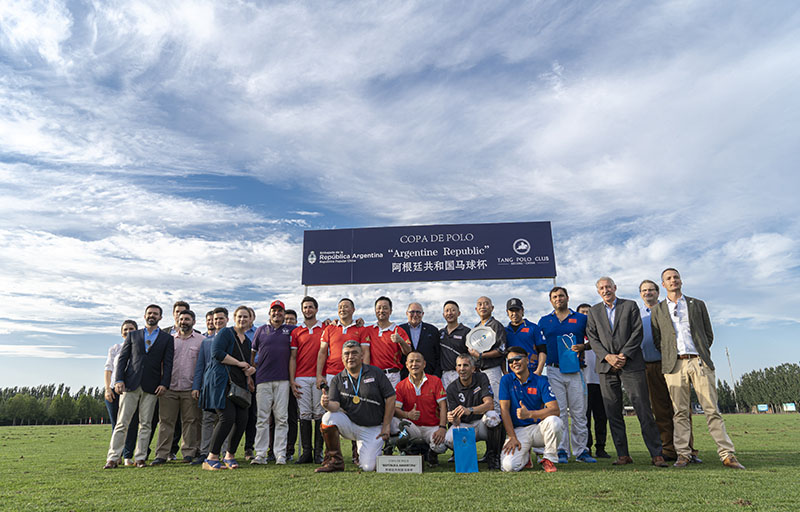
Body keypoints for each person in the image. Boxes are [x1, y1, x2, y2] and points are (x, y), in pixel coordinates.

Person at [651, 268, 744, 469]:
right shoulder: (657, 310)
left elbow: (708, 334)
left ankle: (727, 454)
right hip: (674, 365)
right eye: (669, 278)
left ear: (681, 281)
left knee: (712, 409)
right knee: (680, 412)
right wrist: (671, 356)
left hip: (699, 361)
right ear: (663, 284)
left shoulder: (697, 304)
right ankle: (683, 454)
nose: (673, 280)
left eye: (676, 277)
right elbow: (659, 340)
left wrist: (700, 352)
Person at [585, 277, 667, 467]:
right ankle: (623, 455)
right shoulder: (594, 311)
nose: (606, 290)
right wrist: (608, 357)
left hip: (631, 364)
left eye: (608, 287)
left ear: (615, 288)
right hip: (606, 367)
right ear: (598, 291)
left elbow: (637, 332)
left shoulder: (629, 306)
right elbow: (593, 338)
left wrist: (623, 355)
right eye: (602, 288)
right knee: (613, 412)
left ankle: (657, 454)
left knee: (643, 409)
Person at [104, 305, 174, 469]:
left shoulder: (167, 339)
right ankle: (113, 458)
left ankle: (140, 458)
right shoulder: (133, 335)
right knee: (122, 422)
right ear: (144, 316)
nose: (152, 316)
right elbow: (123, 359)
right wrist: (119, 379)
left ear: (160, 317)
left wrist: (164, 383)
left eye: (155, 314)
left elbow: (168, 363)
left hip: (152, 386)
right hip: (130, 384)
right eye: (149, 313)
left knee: (146, 424)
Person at [639, 280, 699, 462]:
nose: (648, 293)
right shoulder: (638, 315)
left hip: (673, 363)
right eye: (644, 290)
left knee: (681, 408)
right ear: (641, 294)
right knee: (660, 410)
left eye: (651, 290)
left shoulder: (668, 310)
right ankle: (669, 449)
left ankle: (688, 450)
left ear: (658, 292)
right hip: (650, 366)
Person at [316, 340, 396, 472]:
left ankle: (370, 450)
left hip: (372, 427)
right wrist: (327, 404)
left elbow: (391, 397)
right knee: (328, 418)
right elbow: (335, 406)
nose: (350, 357)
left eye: (354, 353)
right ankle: (335, 461)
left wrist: (386, 425)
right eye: (346, 354)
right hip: (351, 425)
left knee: (368, 467)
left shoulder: (375, 372)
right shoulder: (337, 379)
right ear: (342, 357)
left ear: (362, 355)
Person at [537, 287, 595, 463]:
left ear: (567, 298)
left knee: (579, 412)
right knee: (558, 412)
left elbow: (595, 340)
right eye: (554, 296)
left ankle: (581, 451)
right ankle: (561, 450)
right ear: (550, 300)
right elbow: (539, 346)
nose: (558, 299)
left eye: (561, 296)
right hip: (553, 370)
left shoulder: (581, 319)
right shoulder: (544, 321)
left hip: (575, 370)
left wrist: (583, 347)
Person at [199, 306, 256, 470]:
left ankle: (229, 455)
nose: (242, 319)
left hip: (239, 384)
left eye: (246, 317)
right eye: (239, 316)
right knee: (227, 417)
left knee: (242, 419)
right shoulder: (226, 333)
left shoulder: (247, 341)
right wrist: (239, 363)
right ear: (234, 318)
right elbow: (217, 353)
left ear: (251, 320)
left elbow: (246, 364)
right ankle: (211, 458)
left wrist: (250, 371)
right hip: (221, 382)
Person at [152, 309, 204, 464]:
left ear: (193, 322)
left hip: (190, 388)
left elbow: (202, 366)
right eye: (181, 319)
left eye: (187, 319)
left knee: (190, 421)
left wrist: (198, 386)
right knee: (166, 422)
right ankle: (161, 455)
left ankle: (188, 453)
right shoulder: (169, 340)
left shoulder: (201, 340)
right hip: (169, 388)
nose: (183, 322)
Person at [499, 346, 562, 473]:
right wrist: (512, 437)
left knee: (555, 422)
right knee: (508, 467)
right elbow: (504, 410)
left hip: (537, 429)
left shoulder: (541, 380)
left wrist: (529, 414)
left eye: (518, 359)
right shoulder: (506, 380)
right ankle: (525, 456)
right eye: (510, 361)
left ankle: (548, 458)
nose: (514, 363)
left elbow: (555, 410)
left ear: (527, 360)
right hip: (518, 431)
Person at [250, 300, 295, 465]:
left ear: (284, 314)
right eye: (274, 311)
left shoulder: (291, 330)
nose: (277, 313)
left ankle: (280, 454)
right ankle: (260, 454)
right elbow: (252, 354)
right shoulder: (261, 330)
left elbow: (308, 330)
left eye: (280, 311)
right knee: (262, 418)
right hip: (263, 379)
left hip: (283, 379)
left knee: (282, 418)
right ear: (269, 313)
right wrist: (251, 375)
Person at [444, 354, 502, 468]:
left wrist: (470, 410)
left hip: (481, 423)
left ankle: (493, 455)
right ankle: (463, 456)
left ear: (473, 368)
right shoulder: (451, 388)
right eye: (459, 366)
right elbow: (456, 422)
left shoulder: (481, 378)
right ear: (456, 368)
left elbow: (489, 405)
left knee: (493, 417)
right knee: (449, 439)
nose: (462, 369)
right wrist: (452, 418)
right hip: (464, 424)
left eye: (465, 365)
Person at [390, 352, 447, 466]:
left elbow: (443, 406)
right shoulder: (401, 385)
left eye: (418, 361)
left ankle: (432, 454)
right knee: (394, 422)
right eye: (411, 361)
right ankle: (407, 451)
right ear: (406, 365)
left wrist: (442, 427)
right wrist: (407, 415)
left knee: (441, 445)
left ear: (424, 364)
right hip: (413, 427)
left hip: (432, 427)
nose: (414, 364)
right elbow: (395, 410)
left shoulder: (435, 381)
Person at [290, 296, 326, 464]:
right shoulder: (296, 331)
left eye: (311, 307)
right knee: (304, 414)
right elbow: (292, 357)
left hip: (320, 376)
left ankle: (319, 452)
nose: (308, 310)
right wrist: (292, 380)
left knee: (319, 414)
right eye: (305, 307)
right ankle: (306, 453)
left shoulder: (325, 328)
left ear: (316, 309)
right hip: (301, 377)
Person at [191, 307, 228, 464]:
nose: (218, 321)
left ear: (227, 320)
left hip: (226, 384)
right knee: (207, 419)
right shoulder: (206, 342)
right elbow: (200, 366)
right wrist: (196, 386)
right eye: (215, 319)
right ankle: (205, 452)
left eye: (221, 318)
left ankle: (225, 452)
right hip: (208, 385)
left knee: (225, 419)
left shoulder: (232, 338)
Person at [103, 320, 139, 466]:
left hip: (131, 390)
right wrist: (107, 388)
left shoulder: (140, 349)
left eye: (131, 329)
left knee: (132, 424)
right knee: (116, 424)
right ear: (121, 332)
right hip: (114, 389)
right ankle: (115, 455)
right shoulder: (115, 349)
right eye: (125, 329)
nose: (128, 331)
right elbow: (108, 369)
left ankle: (128, 456)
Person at [577, 303, 609, 459]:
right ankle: (586, 447)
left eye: (588, 313)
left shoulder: (599, 336)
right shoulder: (576, 338)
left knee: (601, 417)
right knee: (585, 418)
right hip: (583, 383)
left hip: (600, 381)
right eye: (582, 313)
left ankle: (601, 447)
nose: (586, 315)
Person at [363, 296, 412, 388]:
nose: (381, 311)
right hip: (374, 374)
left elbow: (408, 351)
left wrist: (401, 341)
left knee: (393, 398)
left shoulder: (398, 330)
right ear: (375, 310)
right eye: (379, 308)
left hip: (393, 376)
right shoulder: (368, 330)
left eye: (385, 308)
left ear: (390, 311)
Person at [472, 297, 507, 415]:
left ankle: (499, 427)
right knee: (483, 402)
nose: (483, 306)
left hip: (493, 369)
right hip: (479, 371)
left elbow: (502, 350)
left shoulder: (496, 325)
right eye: (480, 304)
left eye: (486, 304)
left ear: (492, 308)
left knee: (496, 402)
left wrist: (481, 355)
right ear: (476, 309)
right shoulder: (476, 328)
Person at [399, 302, 441, 379]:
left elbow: (438, 355)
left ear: (423, 314)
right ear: (407, 313)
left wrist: (436, 374)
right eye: (412, 312)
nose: (415, 315)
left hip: (429, 375)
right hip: (405, 377)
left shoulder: (432, 330)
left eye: (418, 312)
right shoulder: (400, 330)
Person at [504, 298, 545, 375]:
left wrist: (539, 370)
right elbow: (502, 354)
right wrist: (504, 371)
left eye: (517, 310)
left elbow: (542, 350)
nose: (514, 313)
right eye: (511, 311)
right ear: (507, 312)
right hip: (513, 373)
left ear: (522, 311)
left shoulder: (533, 328)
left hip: (532, 371)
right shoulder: (504, 331)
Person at [438, 300, 471, 389]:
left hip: (461, 373)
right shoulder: (440, 333)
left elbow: (472, 354)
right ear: (443, 314)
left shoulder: (466, 331)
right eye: (447, 311)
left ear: (459, 313)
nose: (449, 313)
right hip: (444, 375)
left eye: (453, 310)